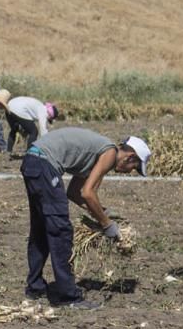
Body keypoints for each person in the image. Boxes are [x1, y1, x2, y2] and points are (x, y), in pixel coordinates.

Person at [22, 128, 151, 309]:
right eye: (134, 168)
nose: (130, 171)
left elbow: (75, 193)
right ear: (130, 157)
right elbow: (88, 193)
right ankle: (68, 297)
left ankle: (35, 287)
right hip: (44, 164)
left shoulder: (97, 153)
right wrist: (107, 225)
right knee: (61, 231)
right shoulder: (109, 153)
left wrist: (102, 212)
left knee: (41, 229)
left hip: (32, 161)